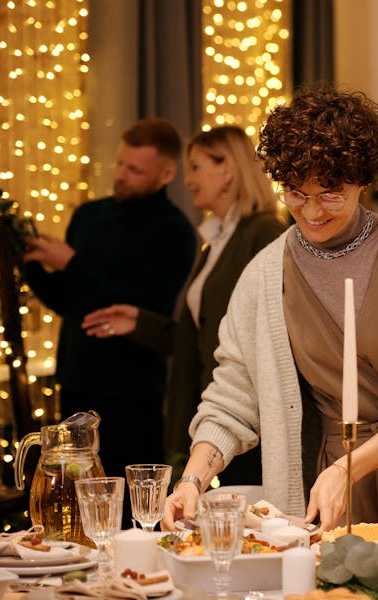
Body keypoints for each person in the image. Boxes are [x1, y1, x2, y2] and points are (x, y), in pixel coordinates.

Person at [161, 86, 378, 532]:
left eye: (330, 194)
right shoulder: (264, 275)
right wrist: (193, 480)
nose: (311, 211)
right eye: (295, 193)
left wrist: (347, 469)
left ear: (362, 180)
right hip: (325, 488)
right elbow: (232, 399)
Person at [80, 126, 286, 483]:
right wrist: (141, 322)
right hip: (212, 410)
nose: (187, 180)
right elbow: (204, 339)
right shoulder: (217, 241)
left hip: (248, 418)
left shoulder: (263, 232)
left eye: (195, 167)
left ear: (227, 170)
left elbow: (269, 334)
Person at [22, 118, 197, 480]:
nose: (121, 174)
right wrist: (30, 266)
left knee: (132, 505)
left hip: (132, 393)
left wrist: (72, 263)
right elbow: (69, 303)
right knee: (72, 495)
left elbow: (146, 308)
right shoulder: (89, 215)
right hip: (76, 382)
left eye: (134, 170)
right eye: (120, 163)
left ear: (165, 174)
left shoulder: (175, 231)